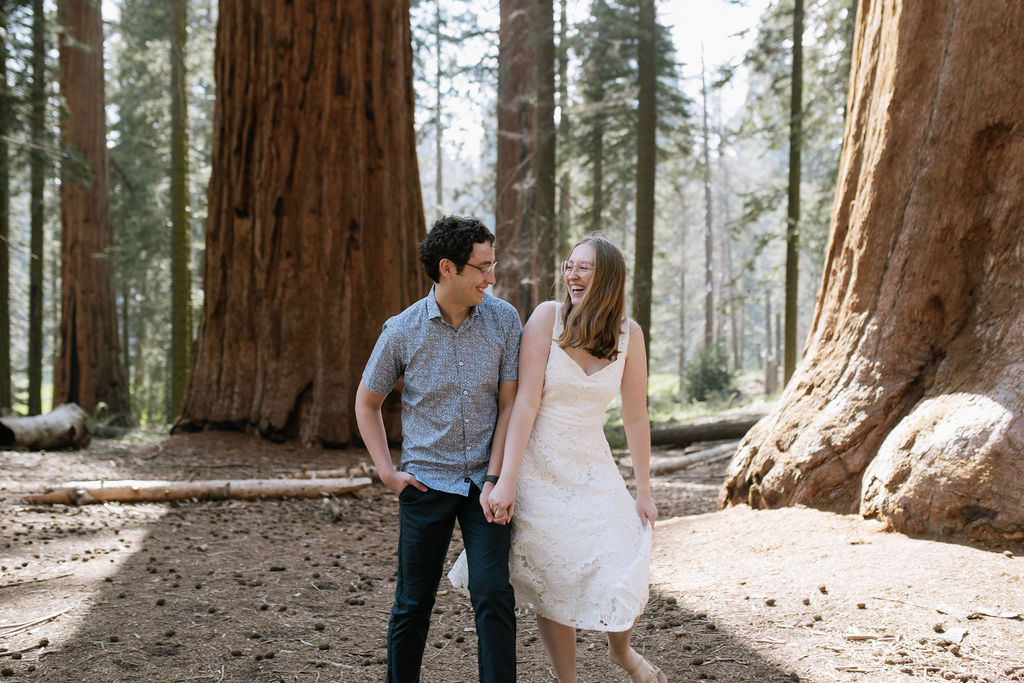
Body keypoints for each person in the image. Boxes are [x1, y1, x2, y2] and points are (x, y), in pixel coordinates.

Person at [487, 235, 665, 683]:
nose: (572, 274)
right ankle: (568, 680)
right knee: (554, 570)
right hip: (538, 467)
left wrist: (643, 490)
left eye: (584, 267)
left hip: (592, 464)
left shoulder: (630, 336)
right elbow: (524, 402)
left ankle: (621, 652)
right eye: (569, 265)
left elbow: (636, 416)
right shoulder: (548, 317)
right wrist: (506, 479)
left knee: (623, 551)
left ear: (607, 277)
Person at [355, 215, 521, 683]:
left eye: (493, 264)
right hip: (425, 483)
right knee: (413, 600)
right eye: (482, 267)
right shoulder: (402, 330)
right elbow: (367, 402)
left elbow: (509, 405)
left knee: (492, 592)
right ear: (448, 268)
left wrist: (495, 478)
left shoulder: (504, 319)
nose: (491, 278)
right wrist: (388, 473)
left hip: (482, 485)